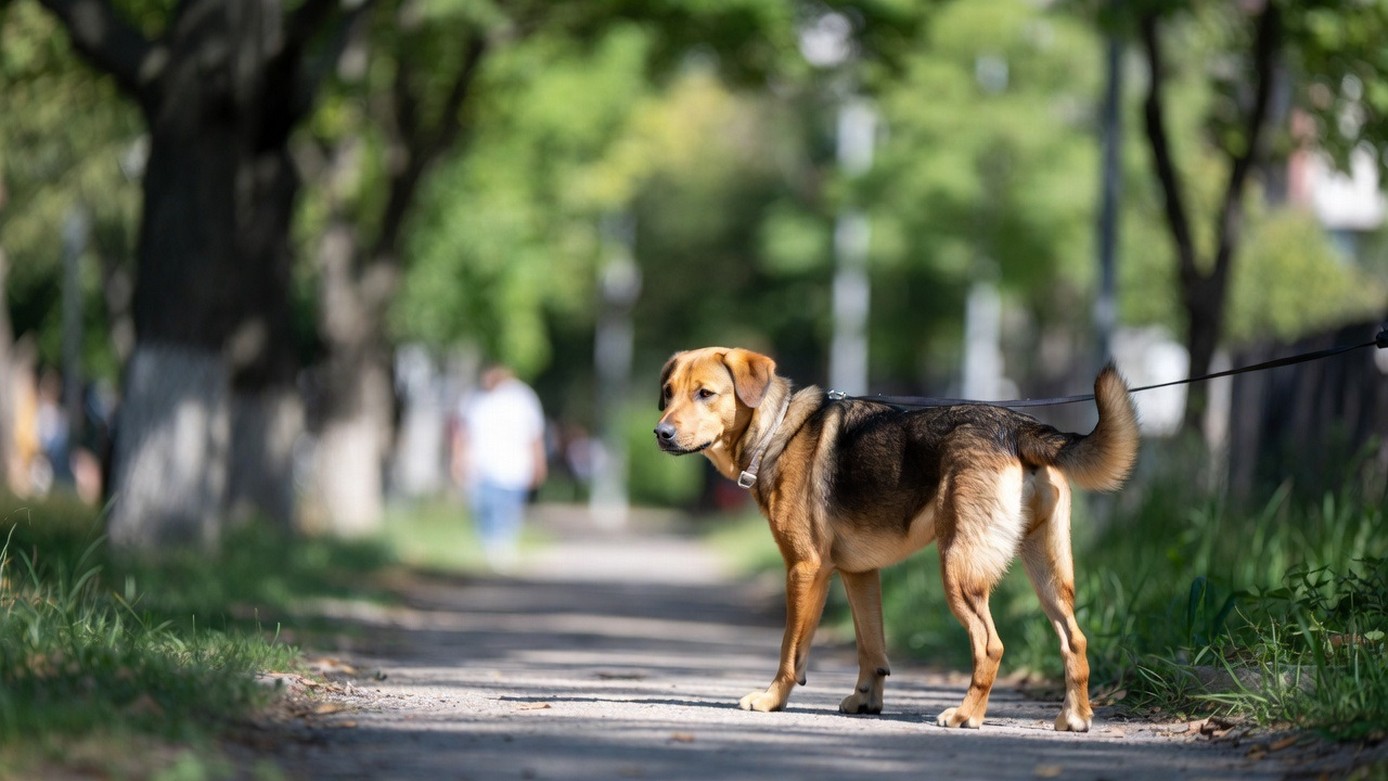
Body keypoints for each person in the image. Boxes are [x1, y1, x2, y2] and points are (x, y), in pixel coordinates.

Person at [453, 364, 547, 571]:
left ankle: (503, 547)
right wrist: (458, 459)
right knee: (485, 508)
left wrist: (538, 462)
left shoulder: (522, 397)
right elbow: (462, 432)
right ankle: (491, 548)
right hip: (481, 467)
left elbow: (534, 433)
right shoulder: (473, 398)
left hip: (515, 467)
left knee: (508, 509)